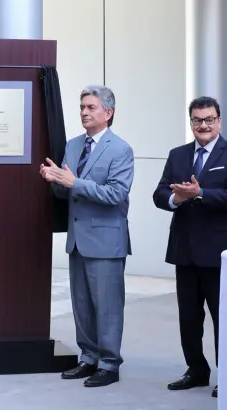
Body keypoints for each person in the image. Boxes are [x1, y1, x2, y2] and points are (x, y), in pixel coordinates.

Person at [40, 85, 134, 387]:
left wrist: (73, 182)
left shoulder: (120, 149)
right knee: (82, 305)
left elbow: (116, 195)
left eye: (91, 107)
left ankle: (109, 364)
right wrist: (54, 180)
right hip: (78, 240)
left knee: (106, 307)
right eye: (82, 106)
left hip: (106, 242)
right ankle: (88, 358)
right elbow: (67, 190)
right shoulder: (72, 145)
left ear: (108, 113)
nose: (84, 112)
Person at [152, 96, 226, 399]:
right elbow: (159, 194)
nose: (203, 125)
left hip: (219, 252)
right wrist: (176, 199)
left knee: (222, 320)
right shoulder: (178, 154)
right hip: (184, 251)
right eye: (197, 120)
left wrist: (201, 193)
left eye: (209, 119)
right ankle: (196, 370)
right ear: (191, 122)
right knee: (189, 318)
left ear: (219, 121)